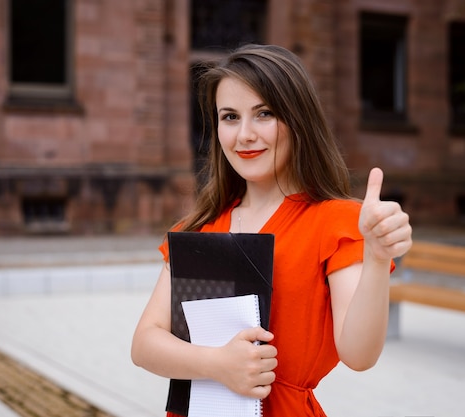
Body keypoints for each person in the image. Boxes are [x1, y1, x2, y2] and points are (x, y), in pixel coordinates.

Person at [131, 44, 413, 416]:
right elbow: (144, 344)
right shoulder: (196, 229)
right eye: (229, 117)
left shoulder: (335, 222)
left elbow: (359, 356)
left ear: (298, 121)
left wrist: (377, 260)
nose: (244, 134)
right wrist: (218, 364)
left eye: (263, 113)